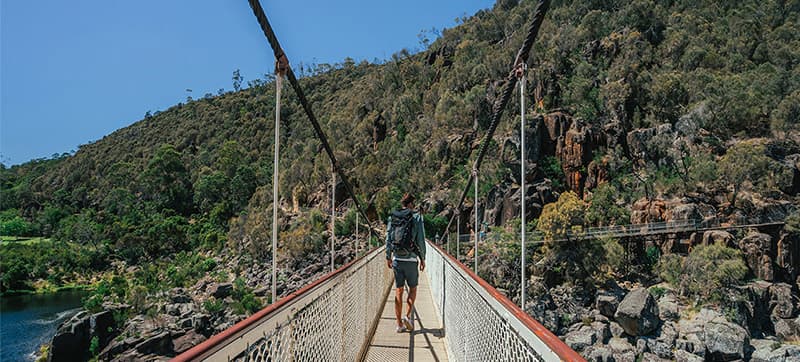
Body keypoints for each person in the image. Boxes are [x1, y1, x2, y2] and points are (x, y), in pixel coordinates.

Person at [385, 193, 426, 333]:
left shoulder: (393, 218)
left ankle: (399, 325)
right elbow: (421, 240)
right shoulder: (416, 217)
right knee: (413, 289)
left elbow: (388, 238)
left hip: (397, 259)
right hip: (411, 259)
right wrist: (423, 258)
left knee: (399, 290)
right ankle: (407, 316)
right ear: (410, 204)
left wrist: (388, 256)